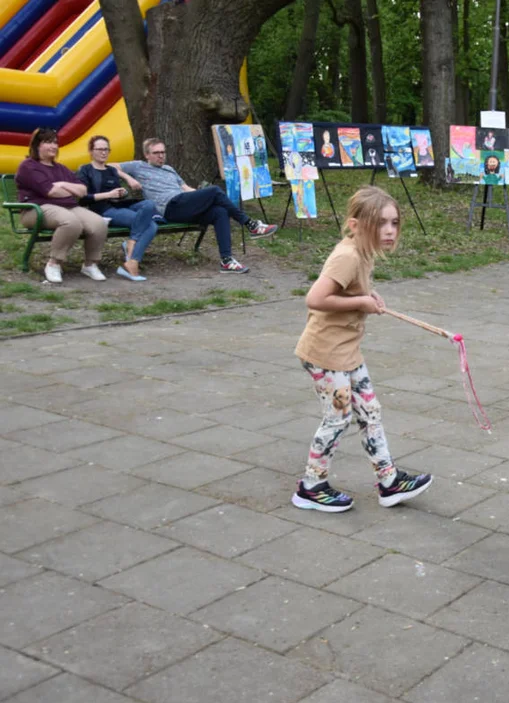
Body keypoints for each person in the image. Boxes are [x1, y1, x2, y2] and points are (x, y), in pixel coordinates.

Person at [292, 186, 433, 512]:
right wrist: (361, 302)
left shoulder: (362, 252)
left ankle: (389, 481)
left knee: (370, 413)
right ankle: (310, 487)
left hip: (346, 353)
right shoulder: (348, 256)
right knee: (338, 418)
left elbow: (351, 290)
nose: (389, 230)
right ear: (355, 225)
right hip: (326, 356)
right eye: (380, 223)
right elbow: (315, 298)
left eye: (394, 222)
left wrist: (369, 296)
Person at [116, 138, 278, 274]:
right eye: (156, 153)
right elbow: (112, 166)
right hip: (170, 207)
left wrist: (203, 198)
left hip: (184, 202)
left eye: (163, 152)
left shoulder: (169, 169)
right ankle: (250, 224)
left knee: (219, 211)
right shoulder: (138, 166)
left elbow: (186, 189)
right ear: (147, 155)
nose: (160, 156)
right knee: (214, 190)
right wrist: (128, 178)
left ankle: (226, 261)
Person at [14, 127, 108, 284]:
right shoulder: (29, 166)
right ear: (37, 145)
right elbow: (51, 192)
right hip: (35, 209)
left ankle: (90, 264)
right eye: (48, 142)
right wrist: (70, 190)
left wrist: (63, 184)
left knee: (99, 223)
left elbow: (83, 190)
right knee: (70, 222)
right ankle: (54, 263)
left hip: (67, 207)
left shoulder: (61, 169)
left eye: (55, 142)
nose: (53, 146)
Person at [77, 135, 158, 282]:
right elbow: (83, 198)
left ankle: (131, 244)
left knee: (149, 205)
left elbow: (117, 192)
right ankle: (132, 261)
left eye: (106, 149)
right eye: (100, 149)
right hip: (103, 210)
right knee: (150, 225)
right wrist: (108, 194)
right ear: (91, 151)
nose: (103, 152)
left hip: (119, 204)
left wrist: (123, 192)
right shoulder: (85, 170)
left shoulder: (112, 171)